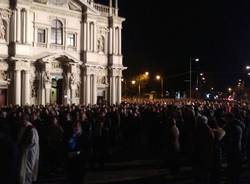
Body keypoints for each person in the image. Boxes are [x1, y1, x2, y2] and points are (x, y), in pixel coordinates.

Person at [18, 114, 40, 184]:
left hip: (30, 152)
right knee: (23, 167)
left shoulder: (32, 129)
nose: (21, 122)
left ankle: (28, 181)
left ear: (26, 120)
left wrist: (25, 146)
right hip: (24, 151)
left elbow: (34, 142)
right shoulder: (23, 127)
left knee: (29, 167)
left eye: (22, 120)